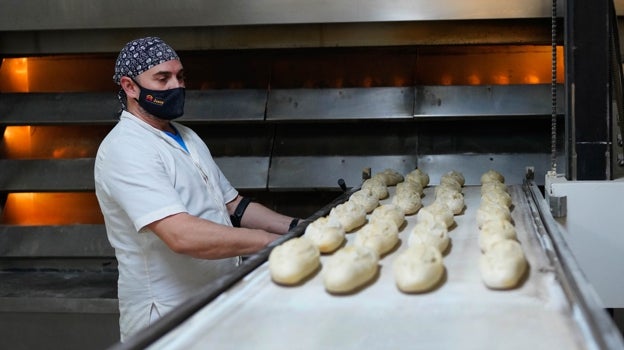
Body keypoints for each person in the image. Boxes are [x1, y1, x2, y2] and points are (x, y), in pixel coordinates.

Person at [94, 36, 299, 341]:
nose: (175, 86)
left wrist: (298, 228)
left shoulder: (186, 136)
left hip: (213, 298)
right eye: (162, 78)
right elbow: (181, 235)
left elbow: (234, 206)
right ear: (130, 87)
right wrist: (270, 243)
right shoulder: (125, 149)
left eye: (180, 76)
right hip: (166, 314)